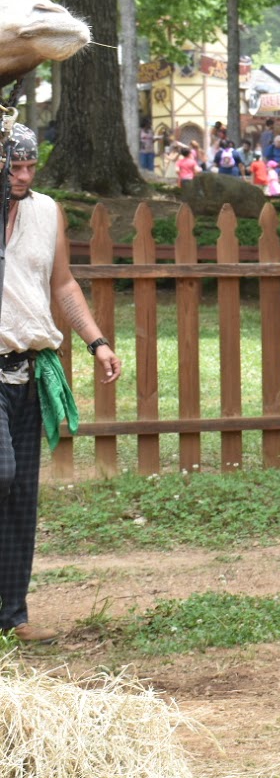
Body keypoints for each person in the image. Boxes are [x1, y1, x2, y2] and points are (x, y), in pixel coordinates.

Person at [0, 124, 122, 642]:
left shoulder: (46, 212)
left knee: (23, 494)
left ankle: (11, 615)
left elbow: (63, 284)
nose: (24, 177)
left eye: (30, 167)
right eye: (15, 168)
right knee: (1, 473)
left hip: (26, 370)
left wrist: (97, 342)